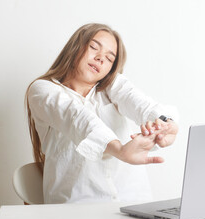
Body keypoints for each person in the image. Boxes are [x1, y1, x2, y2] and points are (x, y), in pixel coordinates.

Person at [25, 23, 179, 204]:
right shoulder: (42, 90)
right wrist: (119, 150)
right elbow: (78, 118)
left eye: (109, 58)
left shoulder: (113, 86)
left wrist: (166, 126)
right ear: (74, 48)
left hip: (134, 203)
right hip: (75, 211)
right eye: (93, 47)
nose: (100, 59)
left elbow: (142, 105)